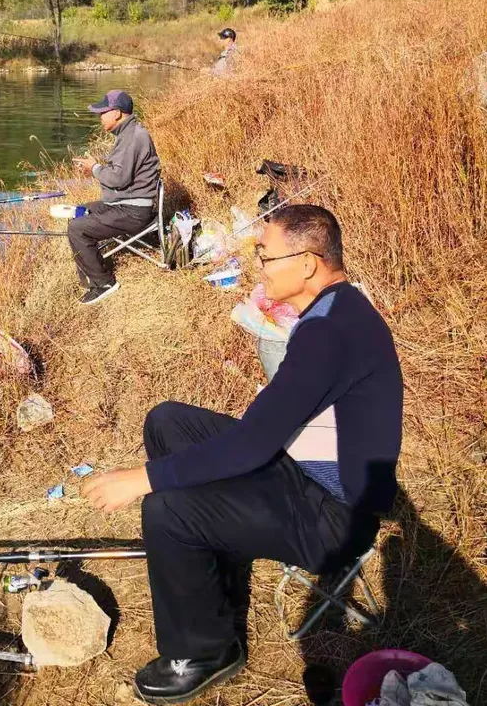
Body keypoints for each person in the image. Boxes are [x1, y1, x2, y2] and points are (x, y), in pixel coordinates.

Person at [82, 205, 403, 704]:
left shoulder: (328, 332)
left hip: (333, 517)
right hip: (303, 473)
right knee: (168, 421)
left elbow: (253, 442)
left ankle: (206, 651)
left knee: (165, 508)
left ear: (308, 264)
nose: (260, 266)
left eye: (266, 256)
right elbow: (266, 427)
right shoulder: (338, 307)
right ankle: (214, 571)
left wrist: (144, 478)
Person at [68, 89, 161, 306]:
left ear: (117, 113)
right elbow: (121, 174)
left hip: (132, 211)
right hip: (125, 204)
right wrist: (96, 168)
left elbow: (118, 179)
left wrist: (95, 168)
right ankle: (90, 273)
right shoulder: (128, 134)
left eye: (103, 112)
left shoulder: (133, 137)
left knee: (77, 228)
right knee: (79, 211)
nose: (99, 117)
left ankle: (104, 283)